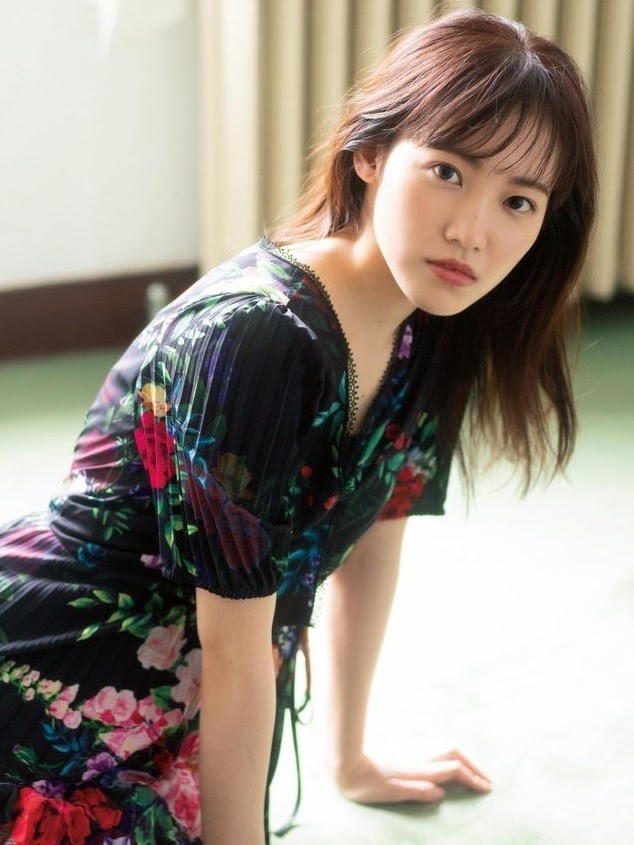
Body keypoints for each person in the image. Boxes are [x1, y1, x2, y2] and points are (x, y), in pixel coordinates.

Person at [0, 8, 597, 845]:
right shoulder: (258, 339)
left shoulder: (434, 321)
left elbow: (375, 539)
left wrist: (351, 757)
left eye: (518, 200)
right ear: (370, 153)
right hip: (55, 683)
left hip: (187, 708)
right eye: (448, 171)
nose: (473, 232)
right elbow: (235, 648)